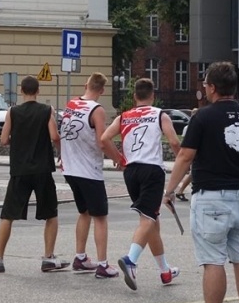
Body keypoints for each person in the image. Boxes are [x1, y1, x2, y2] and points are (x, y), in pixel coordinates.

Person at [164, 61, 239, 303]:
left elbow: (185, 157)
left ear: (211, 87)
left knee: (213, 262)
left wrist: (170, 190)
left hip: (211, 197)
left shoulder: (202, 118)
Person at [100, 77, 181, 290]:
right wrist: (183, 162)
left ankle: (165, 271)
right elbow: (173, 141)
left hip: (131, 171)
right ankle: (130, 260)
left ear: (135, 96)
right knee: (148, 219)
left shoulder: (124, 116)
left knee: (151, 220)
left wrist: (118, 158)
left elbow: (104, 139)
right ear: (153, 96)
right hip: (152, 169)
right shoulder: (159, 114)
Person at [0, 76, 69, 273]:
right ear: (37, 91)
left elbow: (4, 139)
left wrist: (19, 137)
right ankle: (48, 258)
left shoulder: (12, 112)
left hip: (20, 170)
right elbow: (54, 136)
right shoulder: (46, 110)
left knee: (8, 215)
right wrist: (61, 154)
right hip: (42, 169)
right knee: (51, 213)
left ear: (21, 91)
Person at [59, 72, 119, 279]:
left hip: (70, 168)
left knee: (84, 212)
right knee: (100, 217)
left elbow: (64, 135)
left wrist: (62, 156)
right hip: (88, 171)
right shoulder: (97, 110)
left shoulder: (71, 104)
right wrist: (119, 158)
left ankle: (81, 257)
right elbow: (103, 140)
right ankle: (103, 264)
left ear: (86, 85)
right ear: (102, 90)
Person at [174, 108, 199, 201]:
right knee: (192, 174)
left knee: (193, 174)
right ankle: (180, 191)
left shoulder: (188, 127)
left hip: (193, 152)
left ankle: (182, 190)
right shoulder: (190, 127)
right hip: (193, 153)